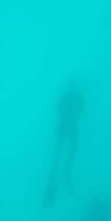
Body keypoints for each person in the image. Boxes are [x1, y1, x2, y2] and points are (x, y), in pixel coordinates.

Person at [44, 79, 84, 208]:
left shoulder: (67, 96)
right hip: (69, 126)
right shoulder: (75, 96)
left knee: (62, 154)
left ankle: (63, 172)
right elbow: (81, 110)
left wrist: (68, 109)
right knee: (67, 152)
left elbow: (58, 108)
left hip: (65, 126)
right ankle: (64, 172)